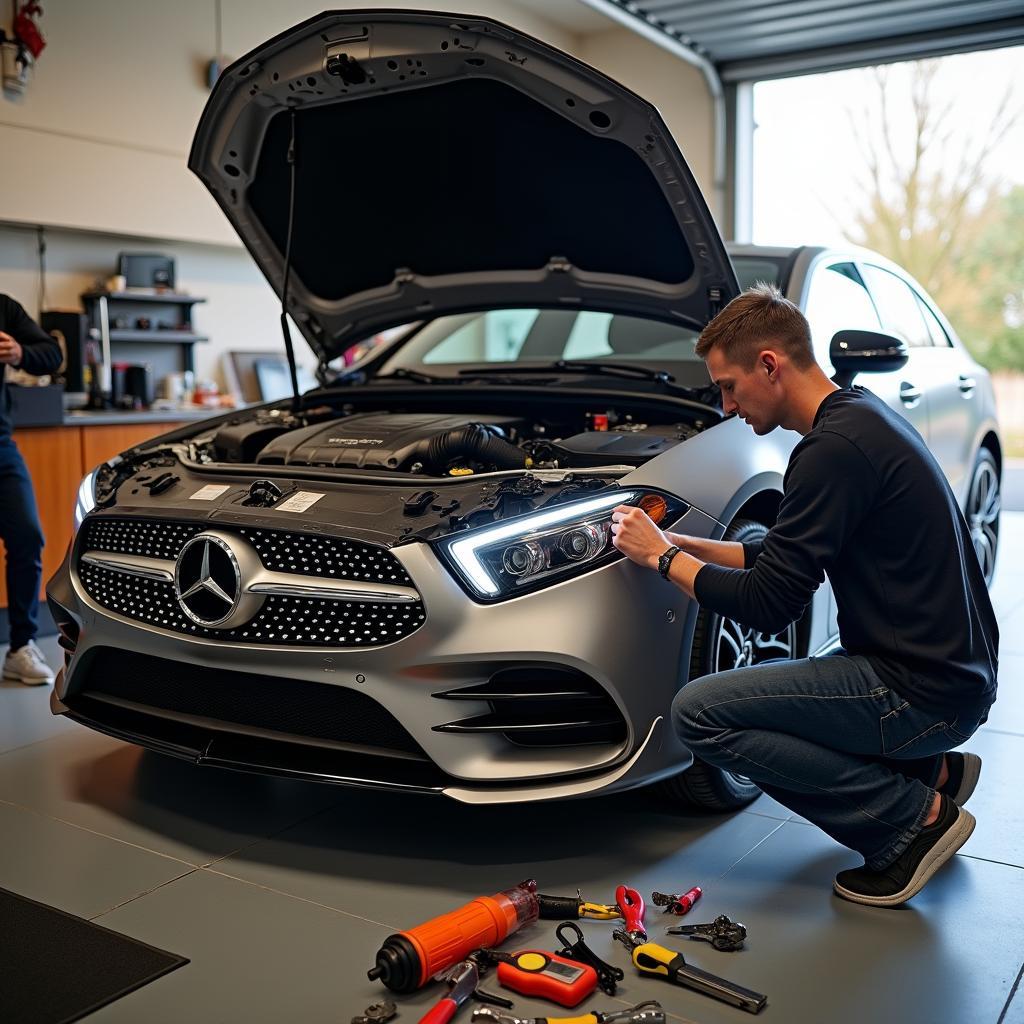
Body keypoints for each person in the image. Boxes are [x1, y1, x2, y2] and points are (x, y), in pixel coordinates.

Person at [610, 283, 998, 908]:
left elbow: (771, 602)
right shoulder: (860, 419)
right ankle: (933, 772)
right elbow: (783, 559)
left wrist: (663, 559)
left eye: (730, 386)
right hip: (951, 676)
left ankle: (911, 821)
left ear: (770, 364)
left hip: (921, 693)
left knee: (698, 713)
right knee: (786, 692)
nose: (727, 405)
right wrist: (683, 542)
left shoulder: (831, 453)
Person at [1, 293, 62, 686]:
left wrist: (19, 351)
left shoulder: (3, 308)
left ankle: (20, 646)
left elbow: (52, 354)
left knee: (27, 534)